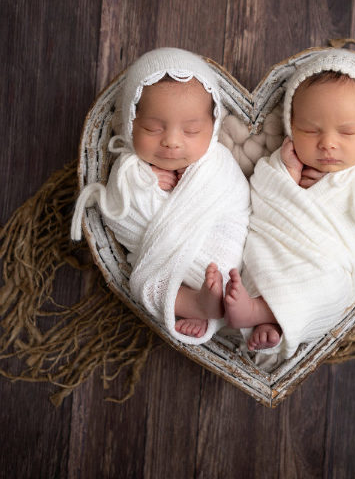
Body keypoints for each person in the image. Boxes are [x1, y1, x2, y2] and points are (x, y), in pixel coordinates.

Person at [223, 48, 355, 358]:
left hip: (329, 264)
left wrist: (322, 196)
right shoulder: (280, 165)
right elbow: (261, 197)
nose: (328, 143)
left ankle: (262, 313)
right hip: (279, 250)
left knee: (333, 288)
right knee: (258, 259)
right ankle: (268, 317)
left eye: (347, 131)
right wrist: (288, 179)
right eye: (310, 131)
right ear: (291, 127)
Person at [72, 48, 250, 344]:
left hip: (217, 250)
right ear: (131, 123)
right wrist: (146, 186)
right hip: (163, 260)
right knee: (144, 283)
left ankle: (212, 300)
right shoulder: (130, 169)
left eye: (192, 130)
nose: (171, 142)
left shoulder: (217, 164)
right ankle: (196, 304)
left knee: (226, 269)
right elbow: (119, 215)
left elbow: (236, 202)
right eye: (153, 128)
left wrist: (188, 189)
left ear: (213, 128)